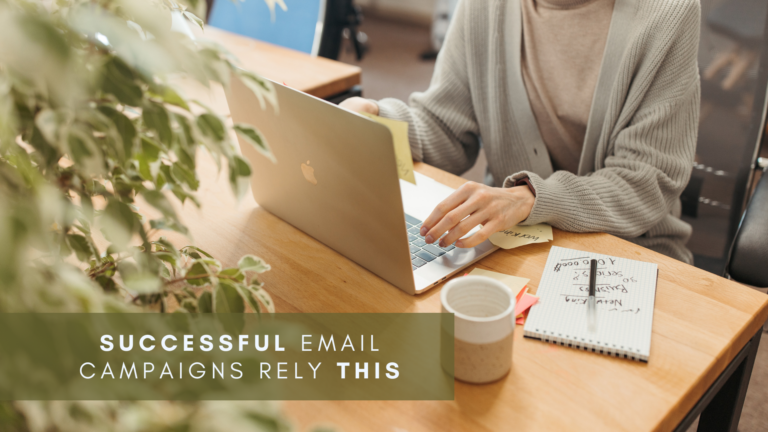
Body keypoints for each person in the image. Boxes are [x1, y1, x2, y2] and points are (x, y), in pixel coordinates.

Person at [341, 0, 701, 264]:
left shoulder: (668, 12)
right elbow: (445, 125)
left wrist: (528, 199)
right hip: (512, 242)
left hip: (629, 248)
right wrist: (380, 120)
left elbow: (645, 182)